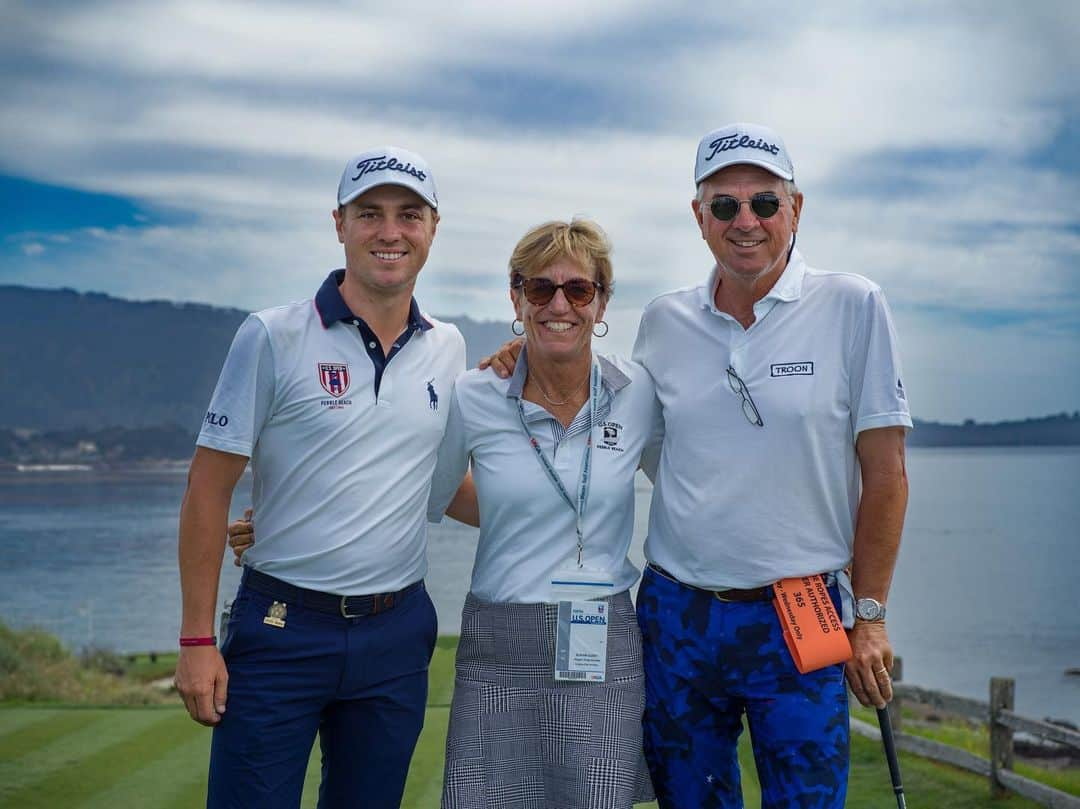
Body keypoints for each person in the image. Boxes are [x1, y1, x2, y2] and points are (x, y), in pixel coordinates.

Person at [485, 123, 912, 808]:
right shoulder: (665, 320)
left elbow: (886, 474)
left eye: (765, 203)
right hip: (678, 612)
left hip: (802, 609)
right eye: (725, 205)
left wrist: (870, 615)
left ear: (795, 209)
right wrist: (522, 355)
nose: (746, 221)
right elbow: (619, 419)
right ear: (699, 217)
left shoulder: (853, 305)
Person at [231, 219, 663, 809]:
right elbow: (420, 490)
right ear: (516, 297)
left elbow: (690, 489)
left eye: (578, 290)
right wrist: (282, 525)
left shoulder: (640, 394)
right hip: (500, 635)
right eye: (540, 289)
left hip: (601, 633)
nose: (558, 304)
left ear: (603, 300)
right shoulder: (474, 394)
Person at [175, 146, 467, 809]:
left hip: (396, 633)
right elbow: (207, 485)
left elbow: (439, 483)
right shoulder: (272, 335)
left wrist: (565, 509)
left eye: (408, 214)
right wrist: (195, 638)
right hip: (281, 625)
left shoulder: (448, 348)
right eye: (370, 213)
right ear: (339, 223)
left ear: (432, 228)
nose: (390, 231)